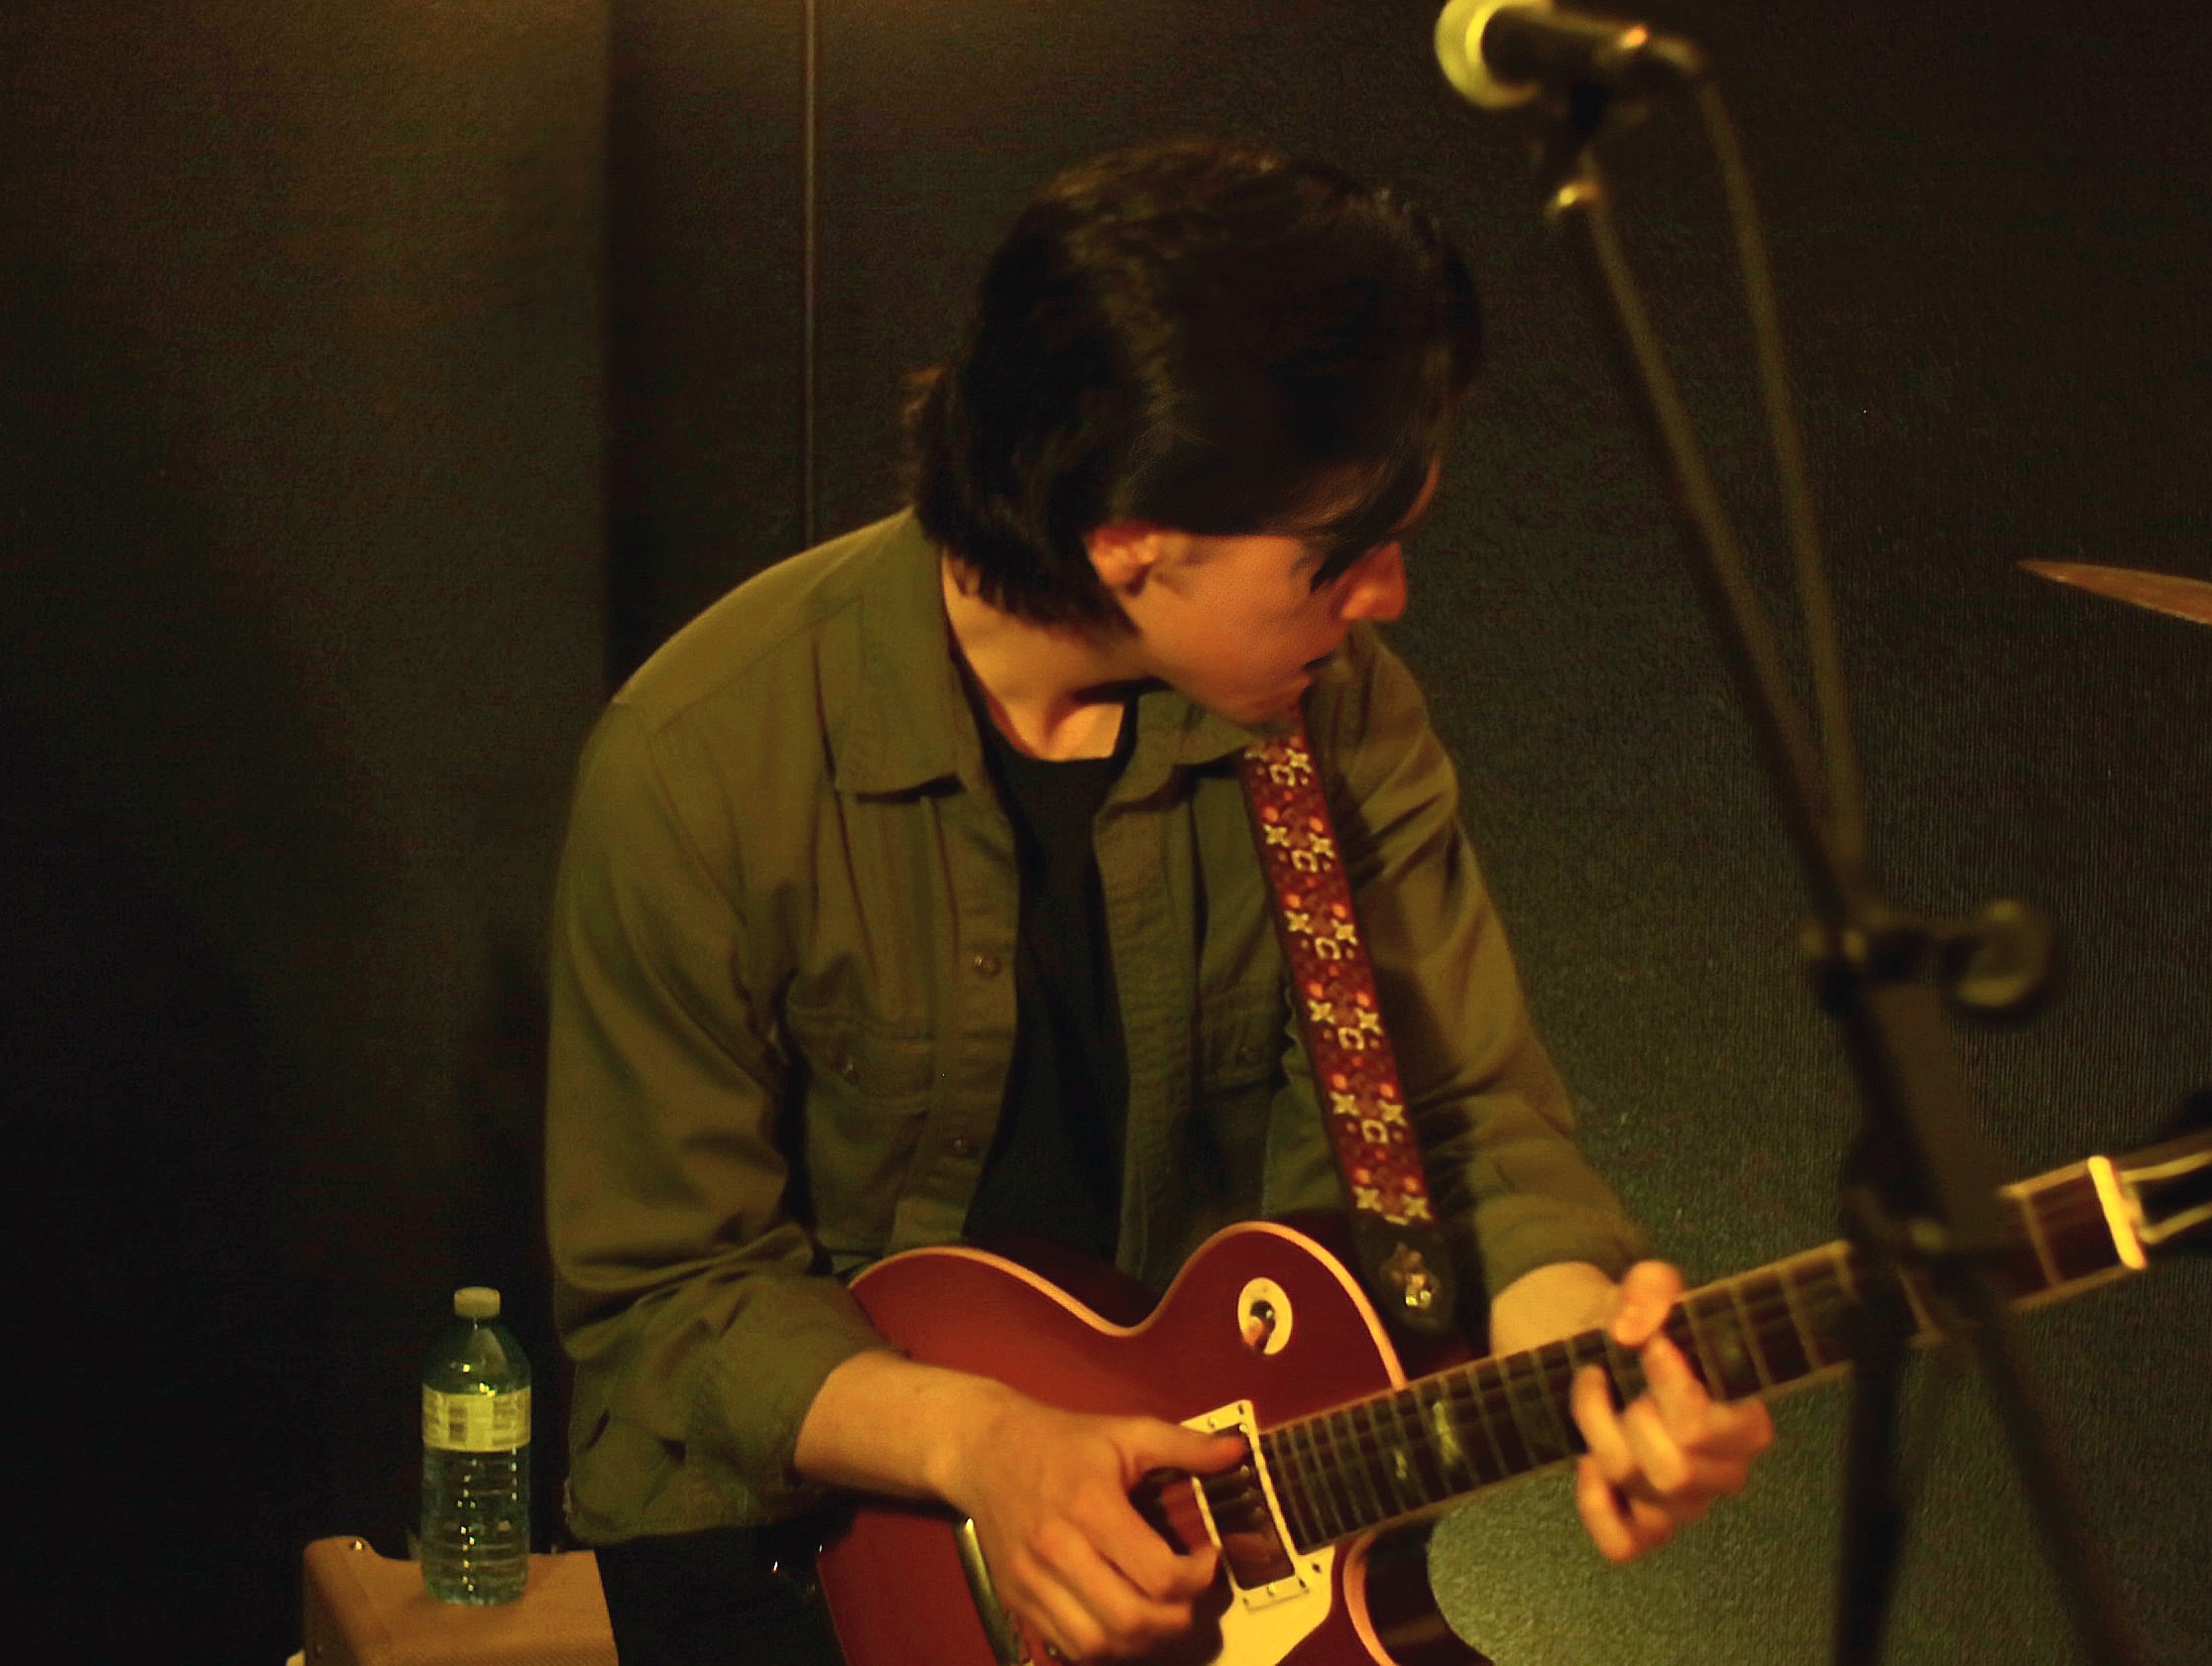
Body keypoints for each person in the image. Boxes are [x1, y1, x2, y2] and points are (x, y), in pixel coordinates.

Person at [546, 138, 1774, 1664]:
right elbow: (666, 1296)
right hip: (796, 1572)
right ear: (1130, 541)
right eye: (1340, 556)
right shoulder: (699, 760)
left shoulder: (1338, 717)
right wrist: (986, 1449)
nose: (1389, 596)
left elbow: (1460, 1128)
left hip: (1200, 1553)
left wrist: (1581, 1343)